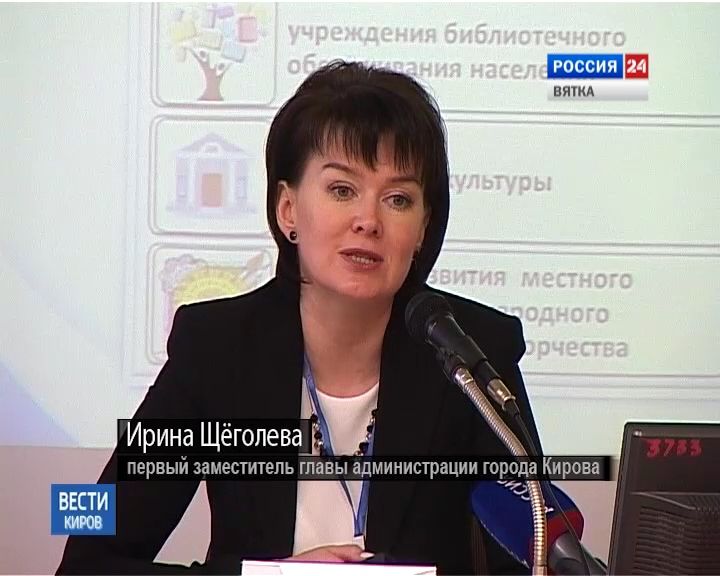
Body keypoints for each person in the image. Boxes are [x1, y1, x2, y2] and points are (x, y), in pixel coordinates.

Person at [58, 60, 540, 575]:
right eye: (342, 190)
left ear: (423, 228)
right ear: (288, 209)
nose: (368, 220)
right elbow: (89, 559)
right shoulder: (216, 348)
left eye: (398, 199)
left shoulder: (472, 350)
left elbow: (533, 557)